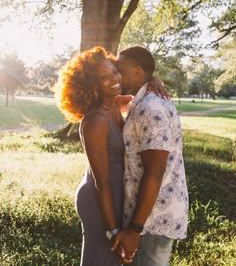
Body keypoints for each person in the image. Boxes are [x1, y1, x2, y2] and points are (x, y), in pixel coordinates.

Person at [54, 46, 168, 266]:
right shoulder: (96, 120)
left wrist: (153, 80)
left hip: (116, 193)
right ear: (91, 86)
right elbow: (101, 182)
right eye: (105, 77)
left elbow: (141, 94)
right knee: (99, 259)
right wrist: (113, 229)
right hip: (100, 198)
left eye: (115, 71)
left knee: (114, 261)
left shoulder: (115, 104)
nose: (115, 78)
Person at [112, 45, 189, 266]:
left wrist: (135, 229)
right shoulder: (141, 101)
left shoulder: (151, 107)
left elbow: (155, 172)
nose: (117, 75)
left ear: (137, 72)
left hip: (152, 219)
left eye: (120, 69)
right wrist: (153, 77)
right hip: (148, 215)